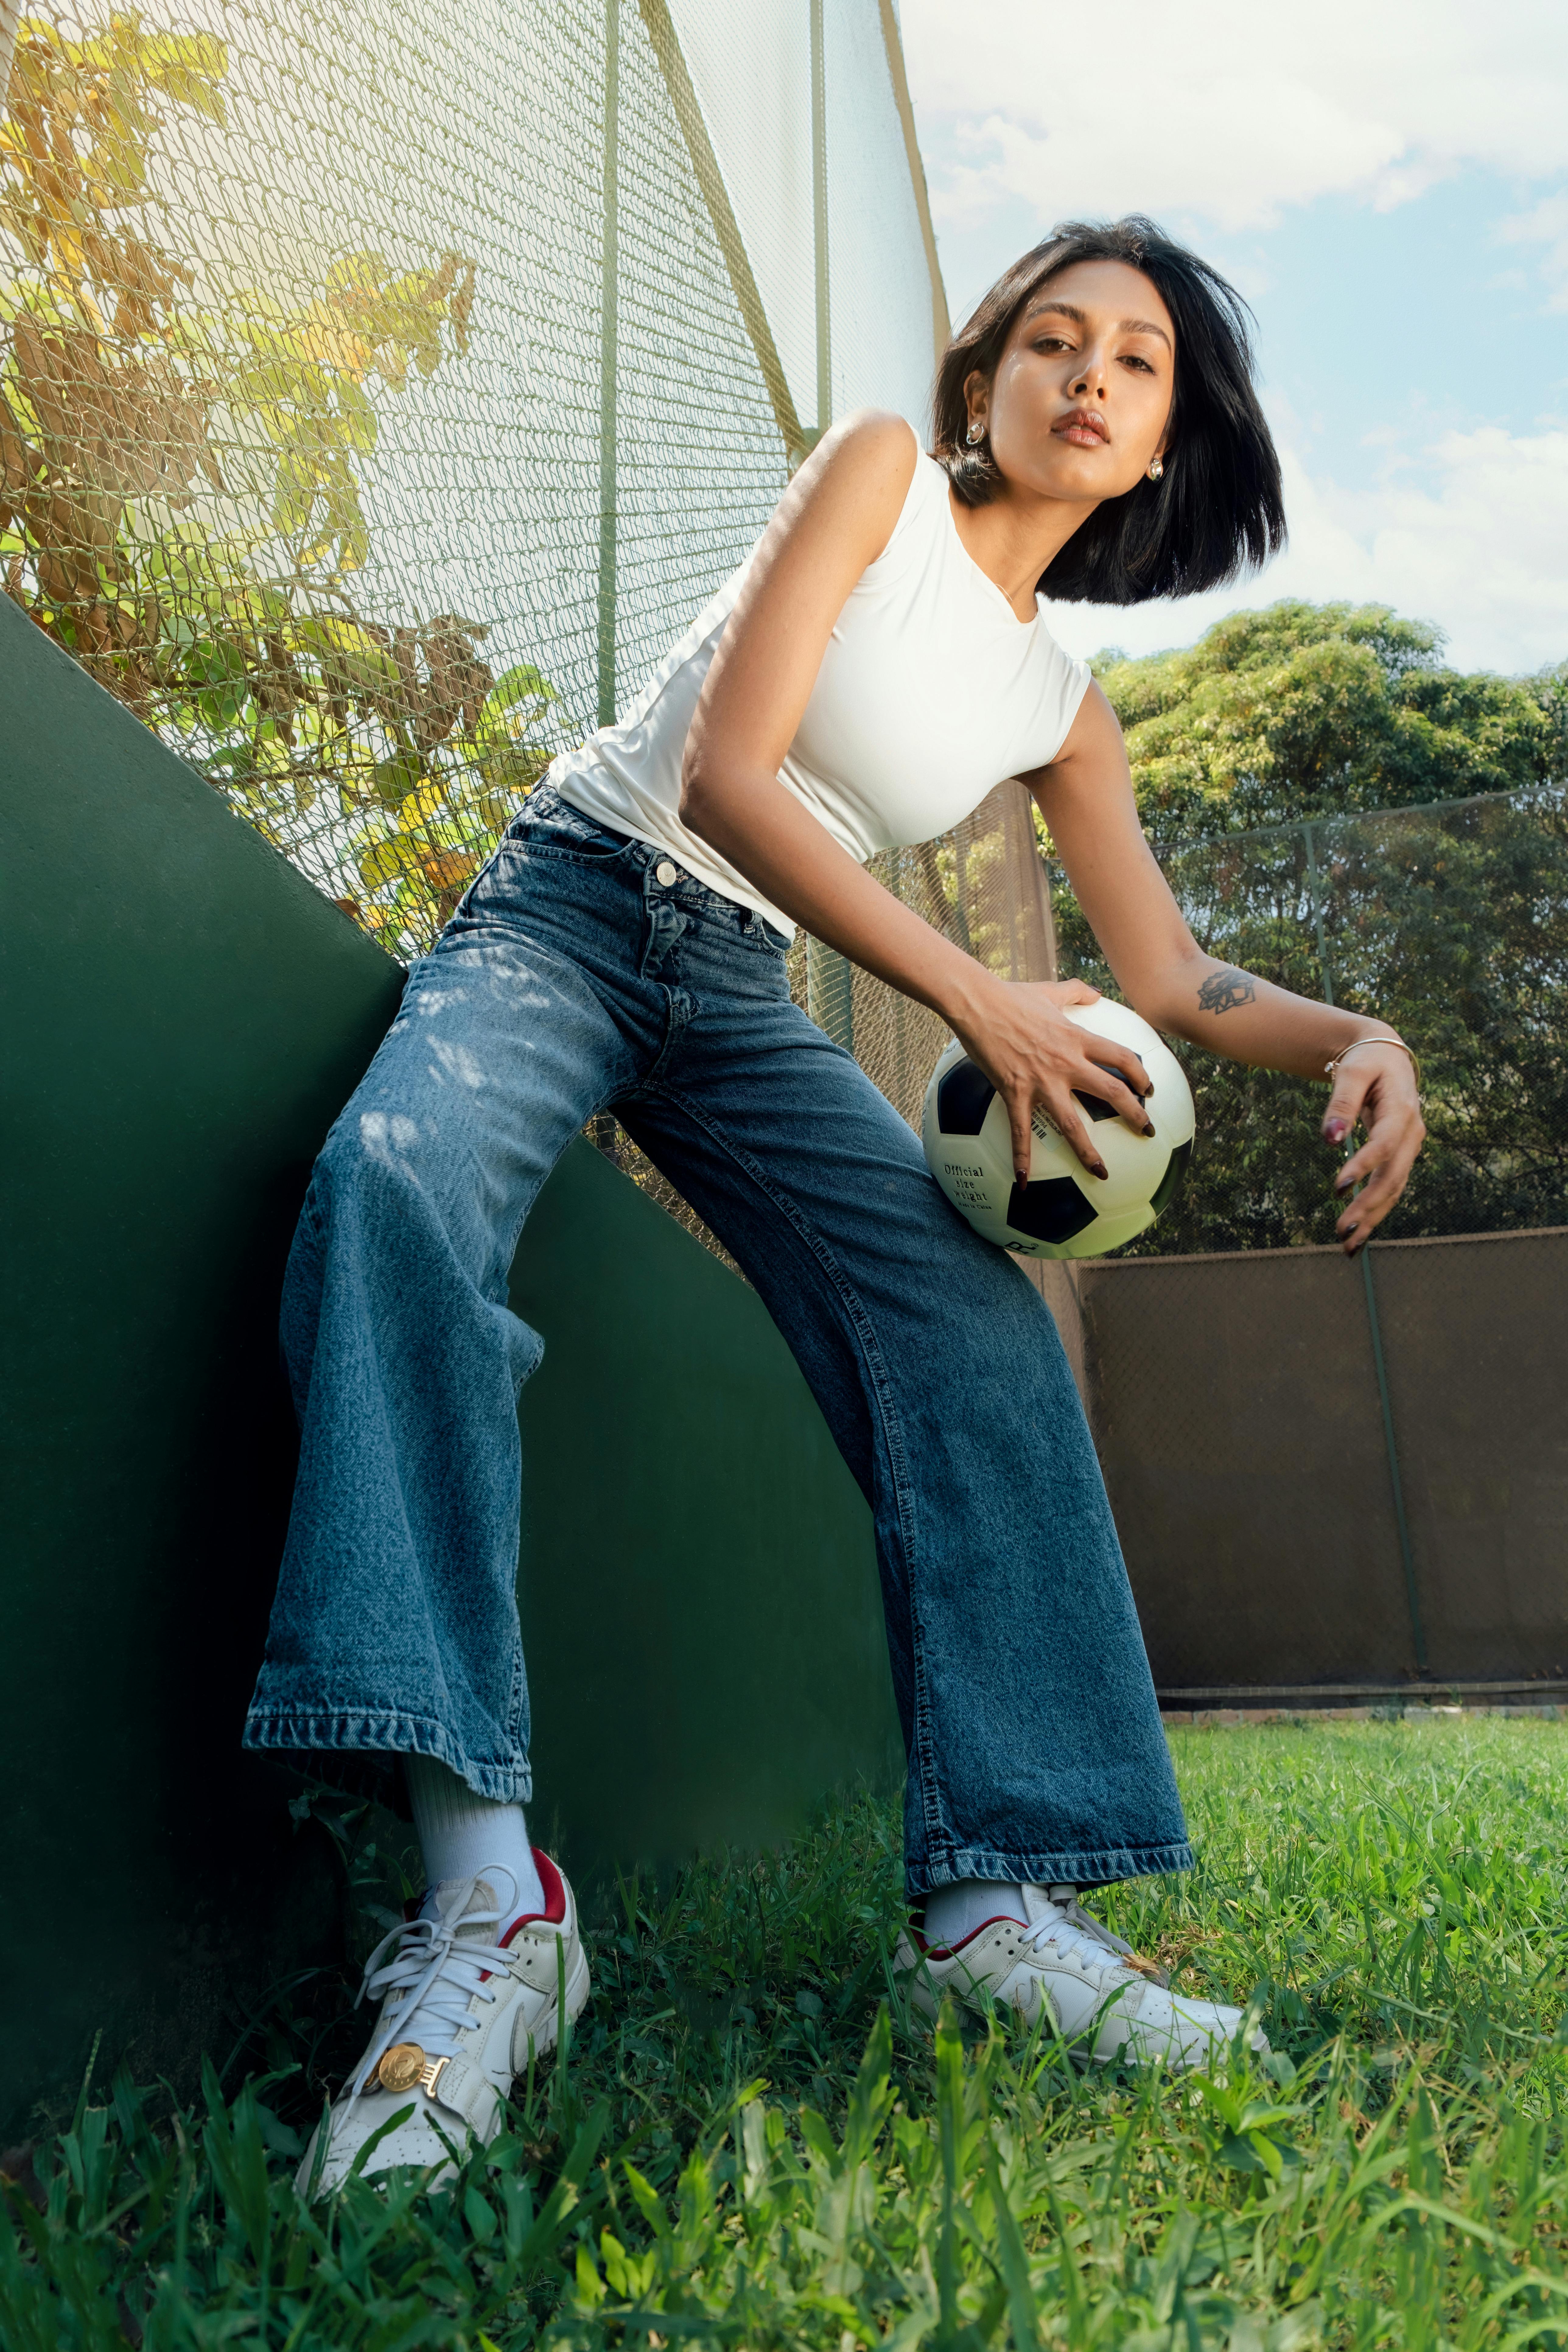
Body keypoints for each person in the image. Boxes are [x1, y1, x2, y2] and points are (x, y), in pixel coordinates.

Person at [248, 216, 1426, 2191]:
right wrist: (972, 995)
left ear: (1161, 449)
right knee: (395, 1187)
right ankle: (489, 1909)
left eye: (1135, 368)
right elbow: (725, 768)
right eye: (1054, 341)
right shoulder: (877, 461)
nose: (1088, 379)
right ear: (985, 382)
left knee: (979, 1336)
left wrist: (1350, 1036)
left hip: (735, 996)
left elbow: (1169, 977)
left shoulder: (1063, 698)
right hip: (580, 898)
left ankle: (991, 1910)